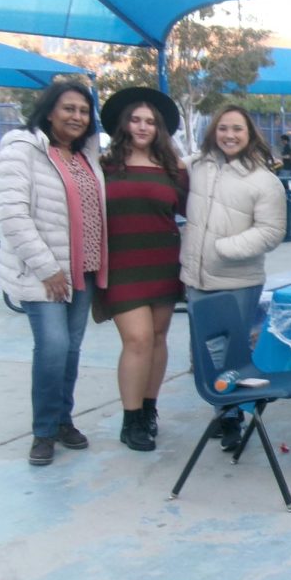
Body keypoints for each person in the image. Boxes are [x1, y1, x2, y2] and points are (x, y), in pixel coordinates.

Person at [0, 81, 108, 466]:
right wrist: (47, 268)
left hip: (85, 270)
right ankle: (43, 431)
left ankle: (63, 419)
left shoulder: (86, 155)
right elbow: (12, 215)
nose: (77, 117)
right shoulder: (22, 150)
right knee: (54, 347)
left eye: (83, 110)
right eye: (69, 109)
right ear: (49, 111)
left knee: (71, 349)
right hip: (43, 274)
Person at [180, 105, 286, 449]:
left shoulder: (263, 180)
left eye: (237, 129)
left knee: (230, 355)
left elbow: (271, 231)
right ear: (214, 132)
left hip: (237, 282)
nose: (230, 135)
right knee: (206, 355)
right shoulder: (197, 168)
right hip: (196, 280)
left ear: (249, 134)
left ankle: (233, 419)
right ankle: (223, 412)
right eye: (223, 128)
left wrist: (223, 248)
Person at [99, 87, 189, 452]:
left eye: (150, 121)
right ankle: (130, 418)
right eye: (136, 119)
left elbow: (194, 212)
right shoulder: (103, 166)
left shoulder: (174, 169)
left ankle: (149, 411)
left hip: (163, 262)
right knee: (136, 339)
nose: (142, 126)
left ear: (160, 128)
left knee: (157, 338)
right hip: (121, 265)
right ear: (124, 124)